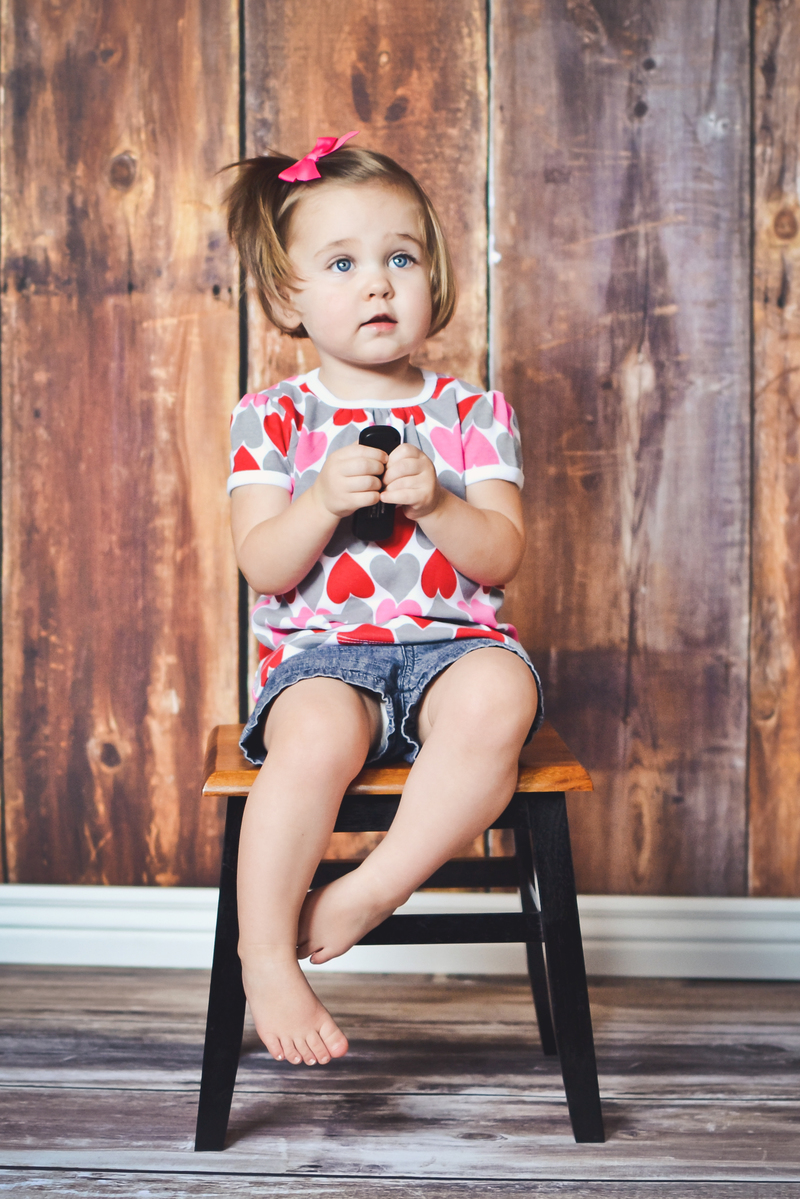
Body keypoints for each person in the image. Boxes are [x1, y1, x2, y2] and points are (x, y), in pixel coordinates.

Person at [224, 132, 543, 1070]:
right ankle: (265, 955)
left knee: (501, 697)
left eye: (400, 259)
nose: (377, 284)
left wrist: (439, 499)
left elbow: (502, 558)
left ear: (434, 277)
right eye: (344, 263)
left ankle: (374, 886)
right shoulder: (271, 417)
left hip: (452, 649)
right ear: (291, 296)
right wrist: (321, 497)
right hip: (322, 659)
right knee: (314, 737)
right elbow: (265, 567)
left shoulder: (475, 413)